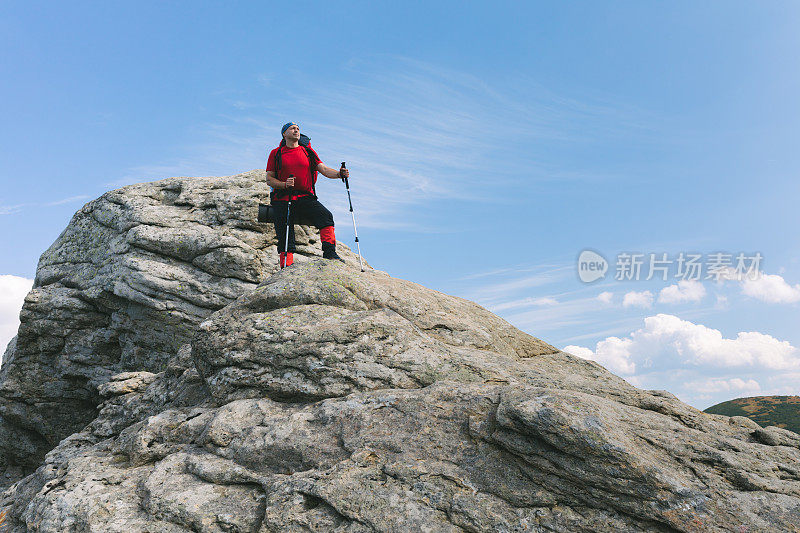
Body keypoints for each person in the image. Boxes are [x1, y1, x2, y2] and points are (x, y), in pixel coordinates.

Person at [266, 122, 349, 268]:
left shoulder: (308, 152)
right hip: (283, 198)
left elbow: (322, 168)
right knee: (285, 232)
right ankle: (286, 265)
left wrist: (339, 174)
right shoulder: (276, 153)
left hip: (305, 197)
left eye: (297, 128)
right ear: (284, 134)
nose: (296, 130)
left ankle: (330, 253)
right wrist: (284, 184)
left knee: (326, 216)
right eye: (292, 128)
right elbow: (269, 179)